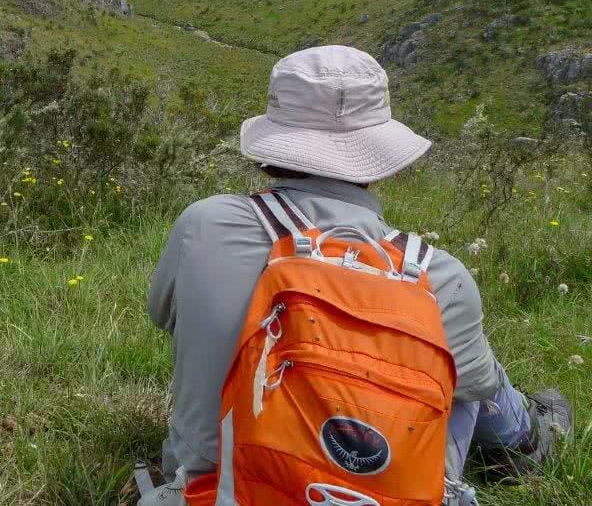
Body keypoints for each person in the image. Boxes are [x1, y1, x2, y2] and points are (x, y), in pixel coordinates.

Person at [142, 45, 572, 506]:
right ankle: (527, 440)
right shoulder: (440, 276)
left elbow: (163, 315)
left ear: (273, 143)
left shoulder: (204, 225)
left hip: (215, 494)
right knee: (470, 372)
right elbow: (475, 386)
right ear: (377, 156)